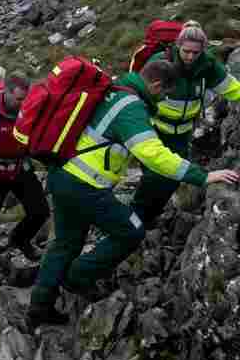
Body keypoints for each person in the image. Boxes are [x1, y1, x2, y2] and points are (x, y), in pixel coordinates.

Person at [27, 58, 240, 328]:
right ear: (155, 84)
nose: (163, 100)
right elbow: (151, 153)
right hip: (85, 186)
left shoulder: (114, 90)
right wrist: (202, 176)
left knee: (65, 243)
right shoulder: (129, 107)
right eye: (163, 93)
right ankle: (77, 278)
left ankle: (38, 308)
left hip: (62, 177)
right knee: (131, 231)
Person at [132, 22, 240, 229]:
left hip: (182, 133)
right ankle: (137, 219)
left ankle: (149, 216)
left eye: (195, 52)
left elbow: (231, 88)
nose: (190, 57)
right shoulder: (162, 63)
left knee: (172, 177)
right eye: (186, 51)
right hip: (154, 130)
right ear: (177, 46)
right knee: (154, 176)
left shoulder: (208, 66)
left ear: (203, 50)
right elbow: (140, 93)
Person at [0, 73, 50, 291]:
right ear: (6, 92)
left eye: (26, 98)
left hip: (20, 168)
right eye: (19, 99)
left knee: (40, 210)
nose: (23, 103)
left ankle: (19, 239)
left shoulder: (29, 109)